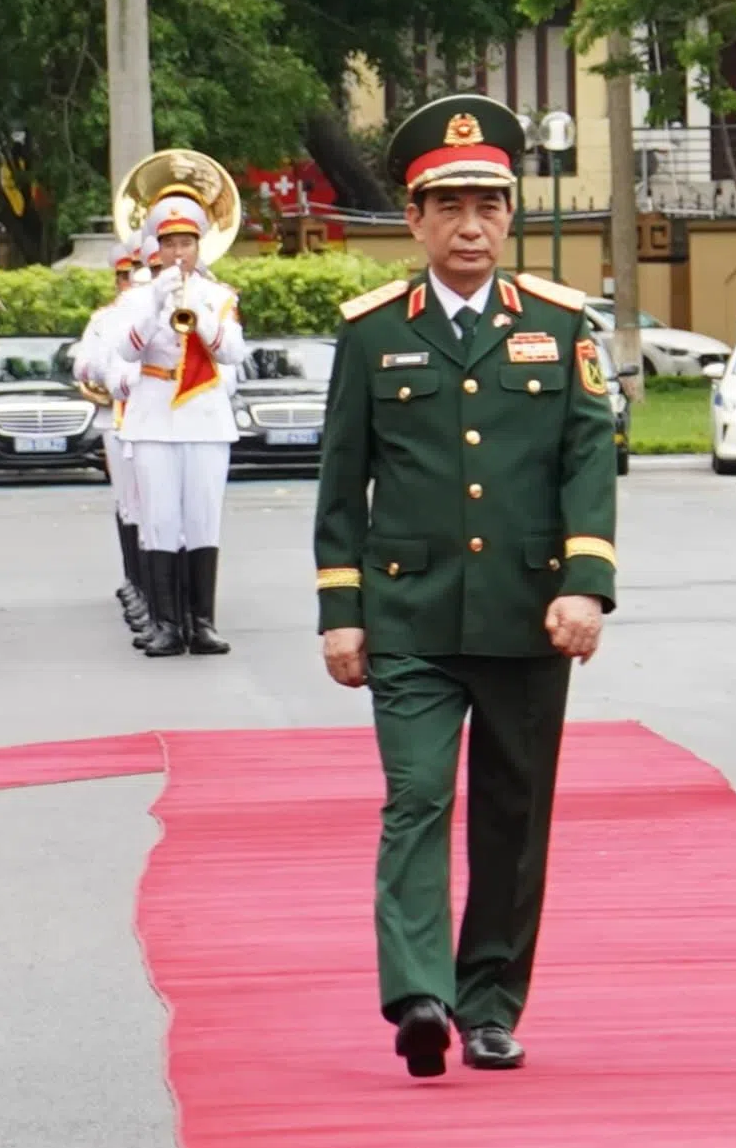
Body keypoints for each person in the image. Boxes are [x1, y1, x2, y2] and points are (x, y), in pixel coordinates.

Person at [311, 98, 621, 1078]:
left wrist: (586, 586)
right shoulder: (370, 336)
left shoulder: (559, 325)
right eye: (448, 207)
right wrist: (340, 611)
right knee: (415, 794)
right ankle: (418, 993)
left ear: (511, 212)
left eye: (488, 203)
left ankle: (489, 1002)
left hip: (528, 614)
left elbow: (587, 461)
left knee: (511, 813)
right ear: (414, 220)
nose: (471, 225)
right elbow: (340, 479)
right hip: (408, 614)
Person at [80, 181, 243, 656]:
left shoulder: (220, 295)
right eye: (169, 243)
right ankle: (166, 624)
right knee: (160, 519)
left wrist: (200, 316)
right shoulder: (137, 298)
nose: (178, 252)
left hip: (205, 415)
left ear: (198, 245)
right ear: (157, 246)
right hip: (153, 415)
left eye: (186, 243)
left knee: (203, 519)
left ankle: (203, 622)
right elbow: (126, 349)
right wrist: (155, 306)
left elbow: (232, 351)